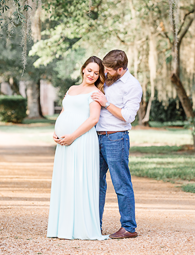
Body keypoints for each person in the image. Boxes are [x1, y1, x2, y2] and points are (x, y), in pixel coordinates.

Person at [47, 56, 108, 240]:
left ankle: (80, 227)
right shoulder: (72, 89)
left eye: (96, 73)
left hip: (81, 141)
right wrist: (57, 130)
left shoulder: (95, 93)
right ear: (83, 69)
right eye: (90, 70)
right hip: (64, 143)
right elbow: (65, 112)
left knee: (79, 180)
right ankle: (63, 226)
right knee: (65, 180)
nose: (92, 75)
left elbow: (93, 119)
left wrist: (72, 135)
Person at [91, 49, 142, 239]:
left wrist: (105, 103)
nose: (105, 73)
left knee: (121, 183)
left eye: (109, 70)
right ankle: (95, 224)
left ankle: (128, 227)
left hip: (116, 138)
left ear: (120, 69)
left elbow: (128, 116)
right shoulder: (105, 79)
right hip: (96, 137)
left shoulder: (132, 85)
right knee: (96, 183)